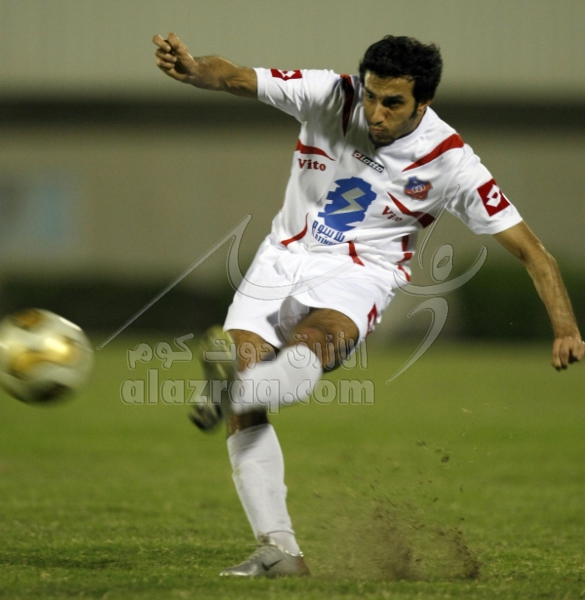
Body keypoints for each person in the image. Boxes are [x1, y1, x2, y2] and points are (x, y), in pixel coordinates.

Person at [153, 32, 584, 577]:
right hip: (281, 258)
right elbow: (237, 76)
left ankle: (232, 390)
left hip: (361, 273)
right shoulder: (331, 94)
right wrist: (195, 70)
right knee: (246, 384)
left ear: (423, 102)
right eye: (372, 96)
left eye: (393, 103)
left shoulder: (451, 161)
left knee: (315, 343)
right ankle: (280, 550)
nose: (375, 113)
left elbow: (531, 250)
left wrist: (565, 328)